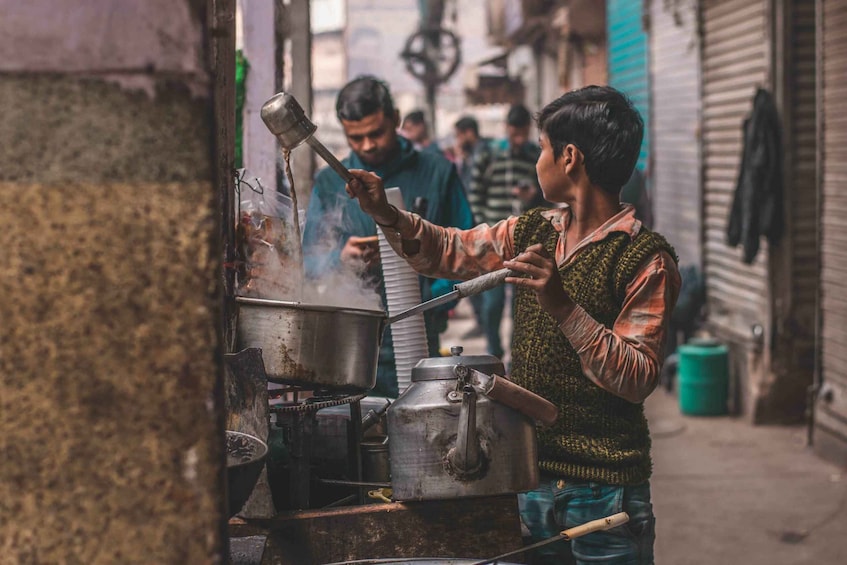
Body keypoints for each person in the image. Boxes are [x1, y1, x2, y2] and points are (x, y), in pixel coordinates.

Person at [344, 85, 681, 564]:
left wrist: (561, 304)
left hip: (605, 491)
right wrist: (385, 213)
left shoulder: (646, 259)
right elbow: (449, 249)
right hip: (529, 477)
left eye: (542, 148)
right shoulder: (532, 230)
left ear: (569, 158)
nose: (535, 159)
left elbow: (634, 379)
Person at [302, 76, 473, 398]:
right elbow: (309, 260)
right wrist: (340, 258)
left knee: (420, 428)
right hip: (349, 343)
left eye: (375, 133)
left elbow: (467, 249)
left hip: (419, 333)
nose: (367, 145)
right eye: (356, 138)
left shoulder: (437, 172)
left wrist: (430, 297)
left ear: (395, 118)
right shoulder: (329, 183)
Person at [467, 103, 547, 359]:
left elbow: (547, 198)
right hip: (493, 243)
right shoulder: (488, 155)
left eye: (523, 134)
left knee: (521, 305)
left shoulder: (536, 156)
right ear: (507, 129)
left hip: (524, 243)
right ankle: (494, 353)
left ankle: (516, 357)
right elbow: (474, 195)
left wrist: (533, 195)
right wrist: (483, 230)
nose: (519, 139)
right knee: (493, 303)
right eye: (515, 134)